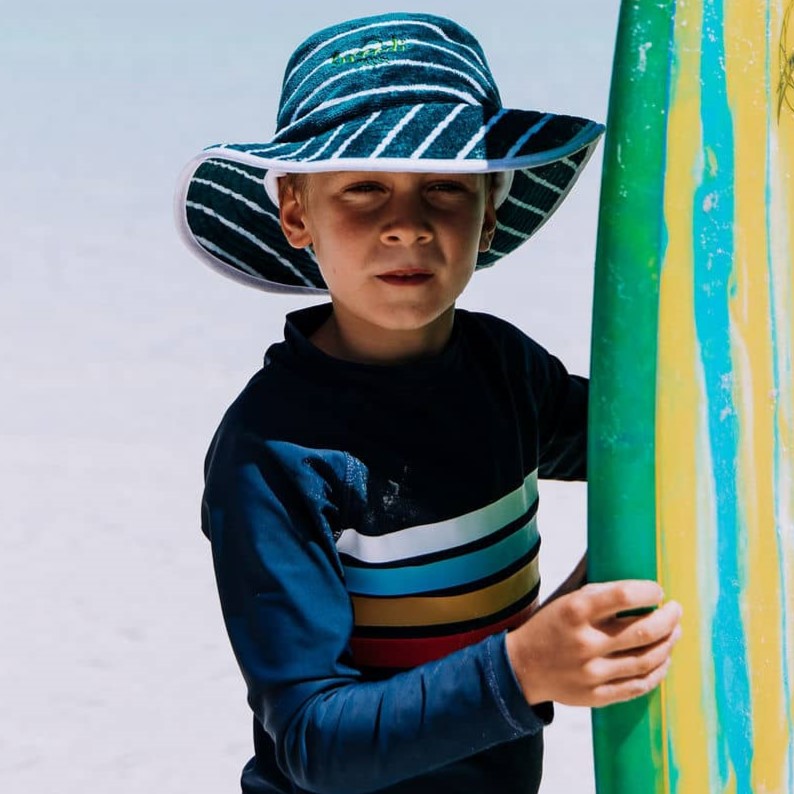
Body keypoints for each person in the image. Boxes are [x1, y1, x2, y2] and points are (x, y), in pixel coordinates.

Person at [175, 12, 682, 794]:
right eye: (365, 187)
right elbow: (313, 743)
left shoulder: (501, 369)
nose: (406, 225)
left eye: (444, 186)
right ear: (297, 213)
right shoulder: (273, 455)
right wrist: (526, 667)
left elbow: (647, 443)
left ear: (489, 211)